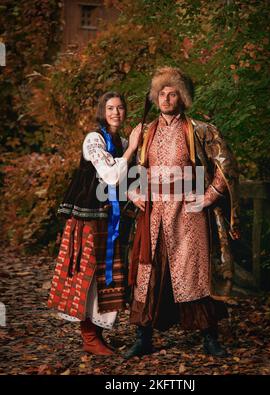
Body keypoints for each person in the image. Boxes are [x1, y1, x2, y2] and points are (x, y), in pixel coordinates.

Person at [125, 67, 240, 359]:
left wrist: (208, 197)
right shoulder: (145, 131)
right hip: (153, 216)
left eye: (171, 92)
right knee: (149, 274)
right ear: (155, 96)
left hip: (189, 216)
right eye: (161, 93)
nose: (165, 98)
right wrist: (133, 191)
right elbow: (134, 169)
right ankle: (143, 337)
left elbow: (226, 165)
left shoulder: (200, 130)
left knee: (195, 274)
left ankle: (210, 338)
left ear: (182, 96)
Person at [47, 91, 142, 355]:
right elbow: (111, 175)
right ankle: (89, 337)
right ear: (103, 111)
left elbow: (126, 179)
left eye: (120, 107)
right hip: (89, 218)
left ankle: (96, 334)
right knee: (87, 275)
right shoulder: (93, 140)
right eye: (110, 108)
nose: (116, 112)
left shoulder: (121, 141)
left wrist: (135, 194)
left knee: (107, 276)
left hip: (111, 219)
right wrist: (133, 147)